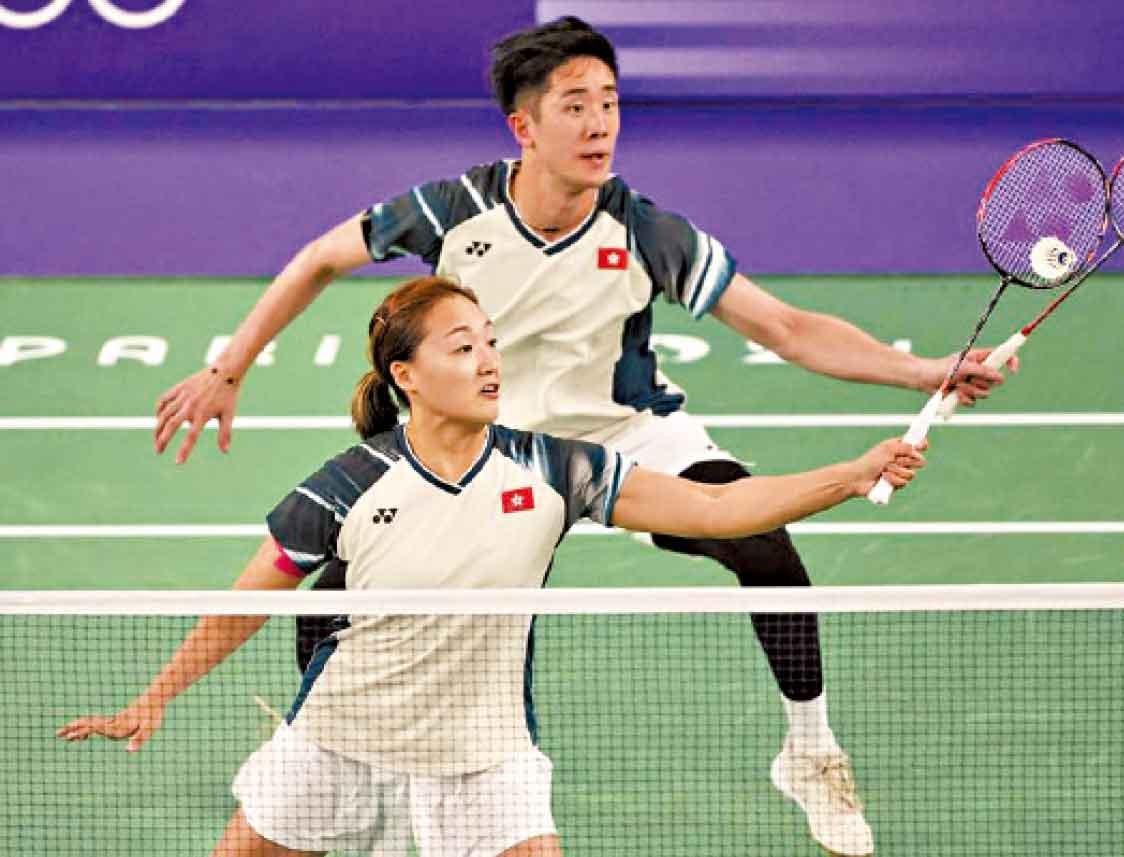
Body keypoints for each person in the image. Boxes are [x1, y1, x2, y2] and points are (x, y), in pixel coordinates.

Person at [151, 17, 1011, 855]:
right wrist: (228, 369)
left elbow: (784, 327)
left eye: (609, 102)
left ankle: (811, 750)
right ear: (523, 127)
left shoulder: (645, 230)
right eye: (575, 105)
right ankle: (331, 756)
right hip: (495, 443)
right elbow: (318, 258)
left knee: (763, 545)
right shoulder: (454, 210)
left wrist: (925, 371)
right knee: (336, 595)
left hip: (626, 431)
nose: (600, 123)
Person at [63, 277, 926, 857]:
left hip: (485, 751)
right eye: (461, 347)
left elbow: (713, 509)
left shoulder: (555, 467)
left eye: (490, 342)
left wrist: (849, 475)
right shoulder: (346, 483)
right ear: (405, 374)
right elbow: (248, 603)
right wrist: (155, 695)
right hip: (337, 738)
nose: (487, 361)